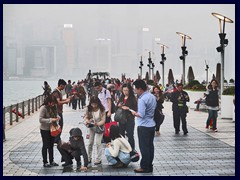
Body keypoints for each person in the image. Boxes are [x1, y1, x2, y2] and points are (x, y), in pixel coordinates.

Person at [131, 79, 156, 173]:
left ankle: (145, 167)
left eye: (136, 89)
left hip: (143, 126)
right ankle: (149, 165)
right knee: (150, 146)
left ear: (140, 89)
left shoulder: (142, 99)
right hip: (151, 125)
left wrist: (133, 112)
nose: (135, 91)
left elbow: (140, 114)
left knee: (144, 147)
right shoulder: (152, 96)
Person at [39, 95, 60, 167]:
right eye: (52, 103)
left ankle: (52, 161)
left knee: (51, 145)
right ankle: (45, 162)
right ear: (48, 102)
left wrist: (58, 117)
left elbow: (56, 114)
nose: (53, 104)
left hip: (52, 129)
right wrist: (51, 120)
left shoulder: (54, 107)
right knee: (45, 145)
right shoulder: (43, 108)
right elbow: (40, 119)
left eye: (54, 103)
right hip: (45, 129)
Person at [84, 96, 106, 165]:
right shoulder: (88, 108)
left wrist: (97, 124)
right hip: (91, 127)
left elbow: (103, 120)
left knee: (98, 143)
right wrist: (87, 121)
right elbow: (86, 117)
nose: (93, 106)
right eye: (92, 104)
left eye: (95, 104)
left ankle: (98, 159)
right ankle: (88, 158)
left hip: (99, 127)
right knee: (90, 143)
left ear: (98, 103)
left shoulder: (102, 109)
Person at [117, 83, 137, 150]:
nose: (125, 92)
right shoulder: (121, 97)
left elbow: (135, 110)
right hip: (122, 119)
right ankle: (123, 149)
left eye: (126, 90)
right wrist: (119, 105)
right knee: (121, 135)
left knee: (130, 135)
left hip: (129, 119)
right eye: (124, 90)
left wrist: (128, 108)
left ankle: (132, 149)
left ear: (129, 90)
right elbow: (116, 108)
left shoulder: (133, 98)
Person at [51, 79, 72, 143]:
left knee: (59, 125)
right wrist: (66, 101)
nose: (64, 88)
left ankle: (57, 138)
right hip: (56, 111)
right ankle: (56, 139)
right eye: (64, 86)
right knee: (59, 125)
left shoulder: (58, 92)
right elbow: (59, 102)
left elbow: (61, 99)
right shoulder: (56, 92)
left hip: (58, 111)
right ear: (61, 85)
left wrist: (67, 99)